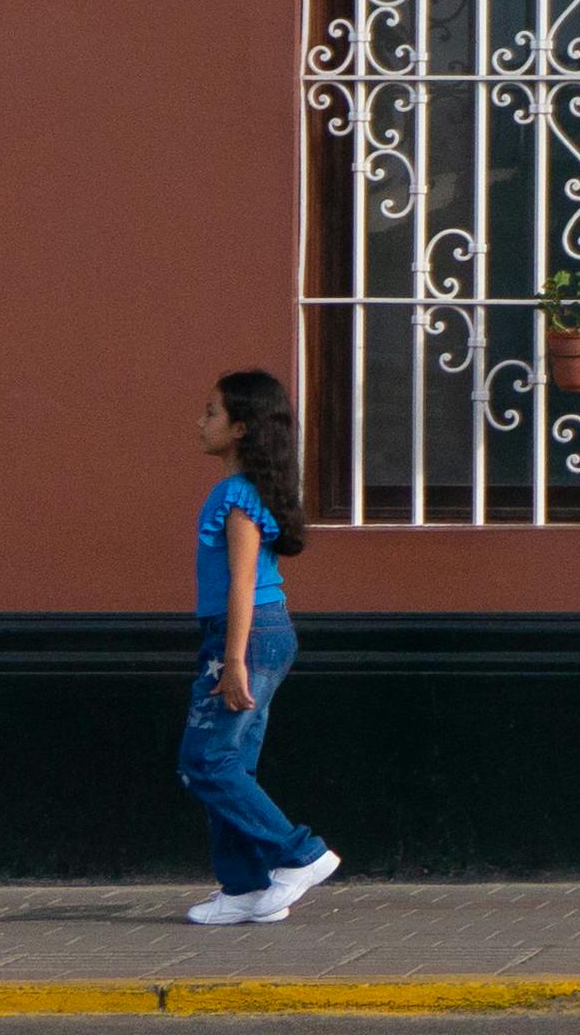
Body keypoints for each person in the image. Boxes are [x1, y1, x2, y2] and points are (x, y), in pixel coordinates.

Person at [178, 369, 342, 925]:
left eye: (211, 413)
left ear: (241, 427)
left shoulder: (236, 495)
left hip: (244, 634)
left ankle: (300, 853)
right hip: (260, 634)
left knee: (204, 762)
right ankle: (244, 888)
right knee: (231, 764)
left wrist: (231, 660)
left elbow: (243, 582)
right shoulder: (246, 490)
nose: (200, 423)